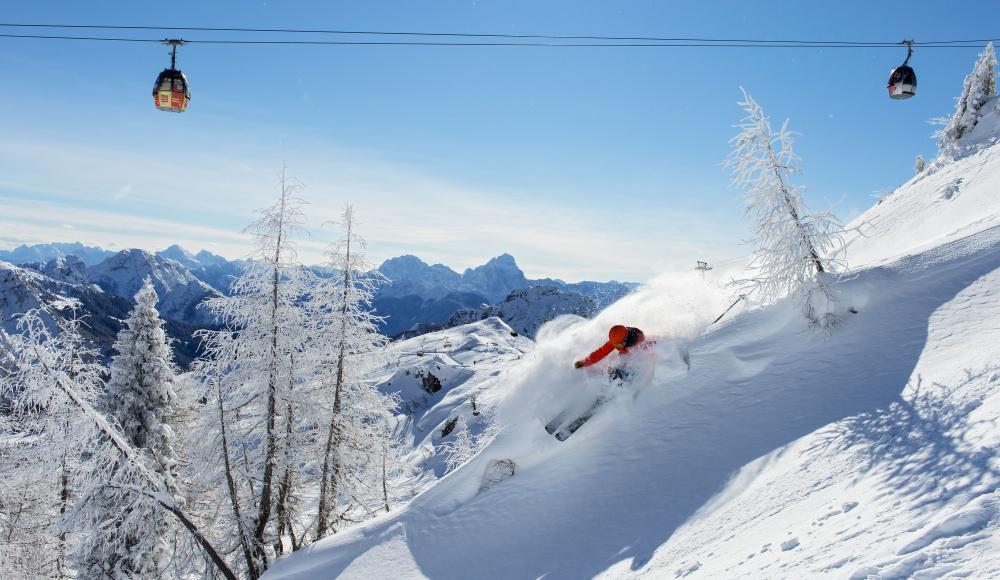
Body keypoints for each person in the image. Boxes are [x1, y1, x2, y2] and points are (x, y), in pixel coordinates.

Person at [574, 325, 650, 380]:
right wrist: (584, 362)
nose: (618, 346)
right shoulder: (615, 341)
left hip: (638, 360)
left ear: (625, 338)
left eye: (619, 344)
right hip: (627, 355)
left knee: (627, 369)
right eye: (615, 344)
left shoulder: (638, 339)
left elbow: (647, 353)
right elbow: (600, 352)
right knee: (613, 370)